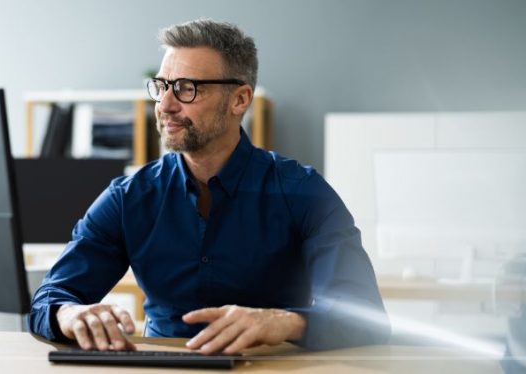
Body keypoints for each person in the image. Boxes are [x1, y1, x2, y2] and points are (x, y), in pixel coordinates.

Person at [29, 18, 390, 354]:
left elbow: (366, 319)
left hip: (268, 369)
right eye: (162, 87)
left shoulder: (303, 192)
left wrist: (284, 322)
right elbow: (50, 299)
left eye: (187, 89)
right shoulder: (128, 198)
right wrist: (69, 315)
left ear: (240, 99)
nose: (165, 105)